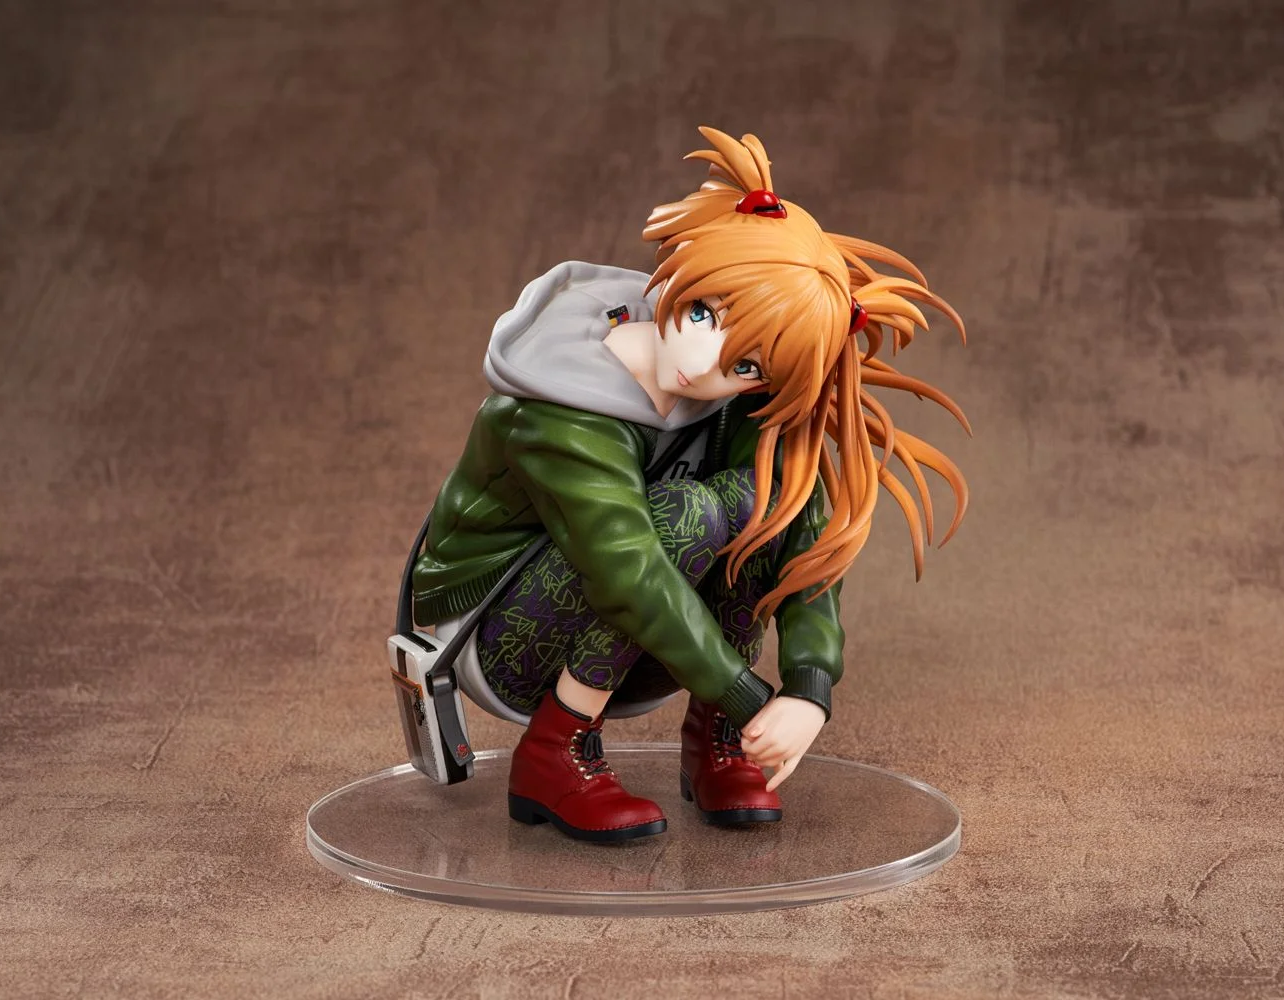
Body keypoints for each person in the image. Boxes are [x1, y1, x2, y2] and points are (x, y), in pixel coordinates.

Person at [409, 127, 970, 842]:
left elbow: (805, 528)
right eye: (704, 314)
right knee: (688, 514)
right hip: (504, 635)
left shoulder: (740, 401)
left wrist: (809, 687)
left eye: (745, 365)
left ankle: (719, 744)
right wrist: (747, 695)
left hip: (646, 641)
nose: (704, 365)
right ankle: (555, 750)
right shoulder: (558, 405)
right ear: (685, 268)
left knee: (771, 494)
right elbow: (627, 566)